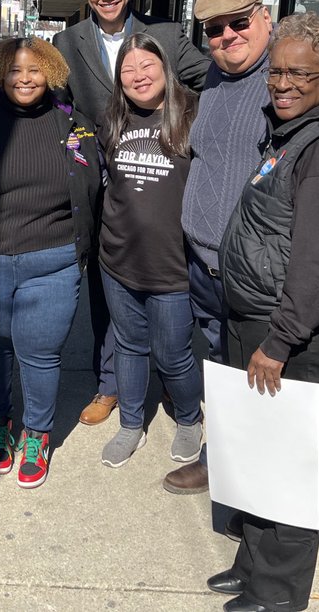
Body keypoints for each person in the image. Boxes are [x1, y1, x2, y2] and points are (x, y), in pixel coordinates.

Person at [208, 12, 319, 612]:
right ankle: (254, 566)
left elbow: (316, 263)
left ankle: (277, 595)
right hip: (264, 319)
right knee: (258, 455)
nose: (283, 83)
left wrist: (280, 339)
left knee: (287, 465)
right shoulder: (287, 133)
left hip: (296, 332)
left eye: (301, 74)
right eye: (277, 71)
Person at [54, 0, 208, 428]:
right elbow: (57, 106)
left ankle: (168, 374)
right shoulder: (66, 41)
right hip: (100, 184)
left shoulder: (163, 33)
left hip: (158, 178)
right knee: (108, 290)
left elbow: (211, 79)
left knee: (167, 289)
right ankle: (110, 384)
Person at [0, 37, 101, 489]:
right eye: (14, 70)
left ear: (50, 72)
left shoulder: (73, 125)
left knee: (40, 352)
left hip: (53, 260)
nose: (25, 78)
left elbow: (93, 187)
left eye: (35, 70)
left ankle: (36, 434)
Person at [164, 0, 273, 495]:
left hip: (253, 267)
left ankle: (254, 488)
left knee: (257, 377)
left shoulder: (292, 69)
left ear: (264, 15)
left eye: (239, 22)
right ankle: (221, 460)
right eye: (214, 29)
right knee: (222, 367)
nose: (228, 36)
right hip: (203, 261)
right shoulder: (213, 75)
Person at [97, 33, 202, 469]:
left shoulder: (194, 114)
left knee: (174, 353)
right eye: (128, 69)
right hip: (118, 260)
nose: (139, 76)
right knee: (129, 345)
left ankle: (190, 418)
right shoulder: (113, 121)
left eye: (147, 66)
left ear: (165, 69)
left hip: (173, 266)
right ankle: (130, 424)